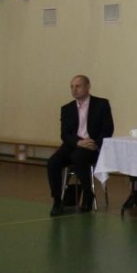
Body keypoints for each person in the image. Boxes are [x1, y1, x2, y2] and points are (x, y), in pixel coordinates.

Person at [47, 75, 114, 216]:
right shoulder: (66, 108)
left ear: (88, 86)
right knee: (53, 162)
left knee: (78, 157)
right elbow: (65, 134)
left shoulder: (101, 104)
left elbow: (108, 129)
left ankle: (88, 195)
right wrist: (78, 142)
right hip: (73, 144)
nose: (74, 90)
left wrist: (96, 144)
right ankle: (57, 200)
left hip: (91, 145)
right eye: (72, 87)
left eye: (78, 86)